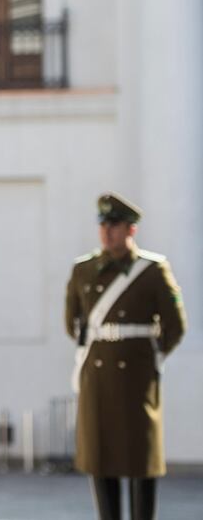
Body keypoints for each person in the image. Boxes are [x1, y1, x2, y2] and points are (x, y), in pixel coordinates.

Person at [65, 193, 187, 520]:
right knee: (100, 457)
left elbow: (175, 327)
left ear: (131, 230)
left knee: (139, 459)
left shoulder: (153, 270)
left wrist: (149, 360)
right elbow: (72, 323)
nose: (107, 232)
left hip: (137, 377)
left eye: (115, 226)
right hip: (98, 378)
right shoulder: (83, 270)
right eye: (103, 225)